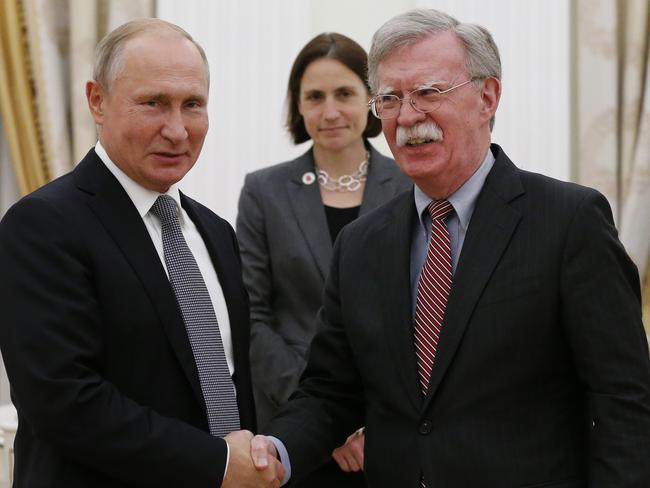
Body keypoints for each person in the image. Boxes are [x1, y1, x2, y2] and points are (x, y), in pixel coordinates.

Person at [250, 8, 650, 487]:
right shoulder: (359, 244)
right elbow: (330, 391)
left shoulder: (569, 221)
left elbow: (623, 401)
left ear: (488, 97)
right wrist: (276, 449)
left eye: (428, 92)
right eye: (391, 98)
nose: (408, 116)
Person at [0, 19, 283, 487]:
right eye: (153, 103)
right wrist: (215, 464)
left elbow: (231, 384)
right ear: (97, 100)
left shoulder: (215, 232)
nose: (176, 130)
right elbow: (64, 401)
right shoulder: (42, 225)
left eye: (192, 104)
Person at [236, 32, 411, 487]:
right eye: (314, 97)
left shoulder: (413, 184)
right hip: (293, 429)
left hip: (394, 430)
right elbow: (250, 315)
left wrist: (369, 422)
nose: (330, 111)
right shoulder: (263, 191)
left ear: (371, 99)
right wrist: (324, 420)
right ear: (298, 106)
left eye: (345, 94)